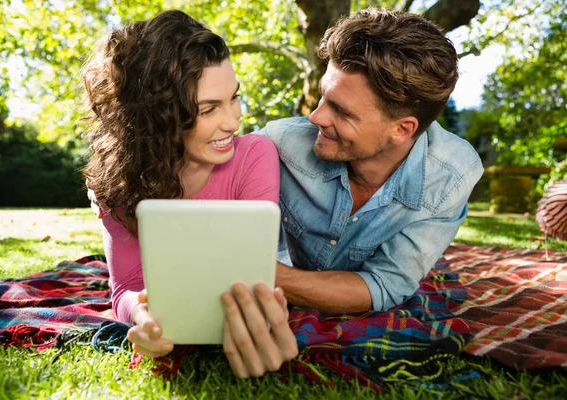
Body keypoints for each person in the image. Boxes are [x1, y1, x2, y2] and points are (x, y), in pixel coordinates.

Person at [81, 10, 297, 379]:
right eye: (209, 108)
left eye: (234, 99)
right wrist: (142, 315)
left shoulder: (255, 155)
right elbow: (125, 293)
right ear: (159, 114)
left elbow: (247, 276)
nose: (233, 121)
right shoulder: (118, 182)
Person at [262, 8, 484, 313]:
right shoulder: (277, 144)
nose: (316, 117)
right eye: (323, 96)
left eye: (341, 111)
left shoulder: (450, 176)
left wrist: (260, 273)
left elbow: (383, 285)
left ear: (401, 130)